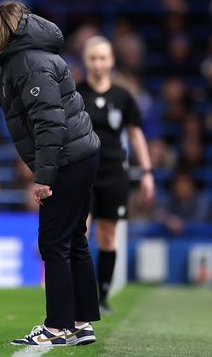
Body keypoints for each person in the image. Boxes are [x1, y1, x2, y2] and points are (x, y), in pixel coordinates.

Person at [0, 1, 100, 347]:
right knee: (73, 240)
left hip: (67, 160)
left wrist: (44, 176)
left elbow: (50, 123)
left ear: (1, 32)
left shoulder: (29, 64)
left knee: (54, 242)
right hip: (78, 155)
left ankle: (58, 327)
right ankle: (80, 322)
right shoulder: (20, 61)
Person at [78, 36, 154, 314]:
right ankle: (79, 293)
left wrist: (147, 172)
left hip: (114, 172)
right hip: (83, 171)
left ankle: (103, 297)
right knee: (80, 232)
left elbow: (135, 134)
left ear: (111, 61)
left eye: (102, 58)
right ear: (86, 61)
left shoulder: (122, 97)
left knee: (108, 235)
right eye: (93, 58)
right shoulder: (75, 94)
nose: (98, 63)